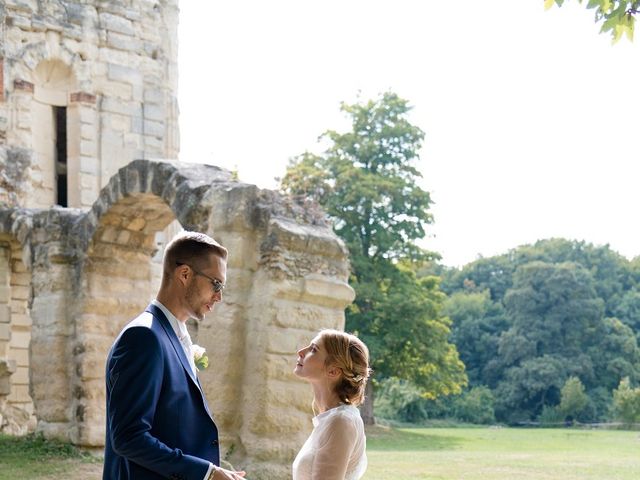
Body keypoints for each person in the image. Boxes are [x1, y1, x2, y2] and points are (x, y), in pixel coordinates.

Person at [103, 231, 247, 480]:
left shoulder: (173, 334)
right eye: (216, 284)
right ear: (185, 274)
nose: (219, 296)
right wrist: (207, 473)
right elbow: (128, 437)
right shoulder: (143, 337)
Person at [292, 329, 371, 480]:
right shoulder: (331, 419)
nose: (301, 352)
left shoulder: (341, 421)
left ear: (333, 371)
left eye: (313, 350)